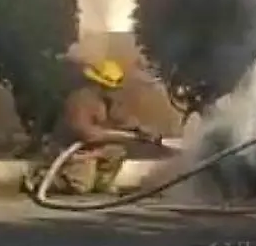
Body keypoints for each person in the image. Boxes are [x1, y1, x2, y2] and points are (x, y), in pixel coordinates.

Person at [22, 59, 162, 196]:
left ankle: (101, 184)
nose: (111, 91)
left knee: (116, 152)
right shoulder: (80, 101)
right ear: (97, 83)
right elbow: (87, 134)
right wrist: (122, 137)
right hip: (69, 150)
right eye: (107, 86)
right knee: (81, 186)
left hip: (92, 149)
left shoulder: (107, 100)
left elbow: (122, 119)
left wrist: (140, 129)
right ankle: (39, 178)